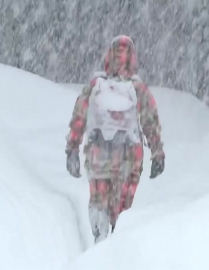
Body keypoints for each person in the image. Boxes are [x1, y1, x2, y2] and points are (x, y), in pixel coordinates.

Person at [65, 35, 165, 243]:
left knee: (99, 200)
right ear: (133, 59)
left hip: (98, 155)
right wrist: (157, 153)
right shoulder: (138, 89)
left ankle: (100, 234)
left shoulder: (96, 85)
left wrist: (72, 149)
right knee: (122, 207)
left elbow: (79, 117)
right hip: (129, 158)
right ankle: (117, 241)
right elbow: (150, 121)